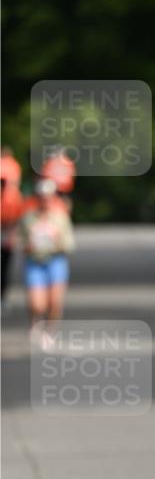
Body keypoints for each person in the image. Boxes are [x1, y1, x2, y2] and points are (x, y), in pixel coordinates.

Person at [19, 178, 75, 345]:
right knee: (37, 304)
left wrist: (57, 240)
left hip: (56, 261)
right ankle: (35, 323)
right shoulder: (28, 218)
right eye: (42, 196)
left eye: (48, 196)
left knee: (55, 302)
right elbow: (20, 242)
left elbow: (69, 243)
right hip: (35, 261)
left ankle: (50, 331)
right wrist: (28, 245)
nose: (45, 200)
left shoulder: (60, 217)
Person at [1, 147, 24, 301]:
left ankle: (3, 294)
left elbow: (16, 218)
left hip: (6, 231)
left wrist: (12, 235)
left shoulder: (13, 196)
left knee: (5, 265)